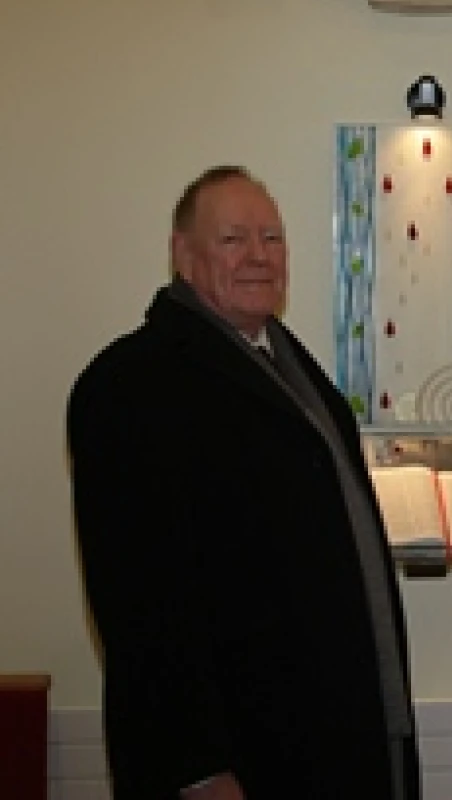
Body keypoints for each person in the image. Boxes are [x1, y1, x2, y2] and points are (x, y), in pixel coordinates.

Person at [68, 166, 421, 800]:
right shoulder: (130, 387)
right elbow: (141, 605)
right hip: (239, 766)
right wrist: (196, 768)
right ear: (183, 254)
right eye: (234, 239)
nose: (260, 255)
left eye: (273, 238)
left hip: (335, 745)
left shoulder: (300, 379)